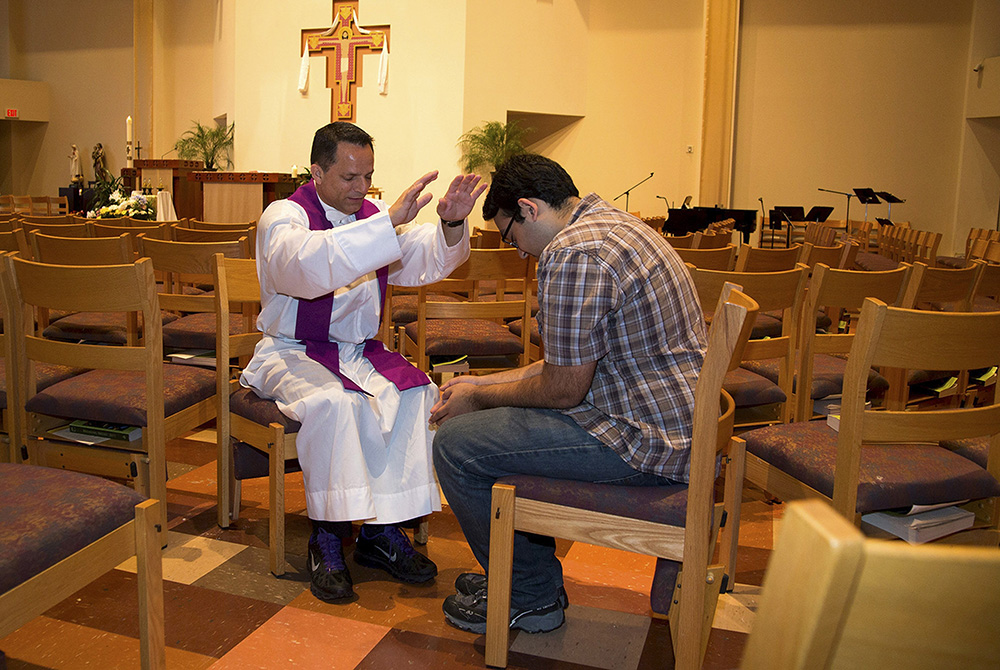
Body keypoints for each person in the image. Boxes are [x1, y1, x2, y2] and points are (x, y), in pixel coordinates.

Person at [431, 154, 707, 634]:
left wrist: (476, 401)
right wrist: (482, 382)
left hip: (640, 439)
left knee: (457, 445)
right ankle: (523, 575)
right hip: (670, 421)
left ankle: (528, 596)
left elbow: (563, 389)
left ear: (529, 208)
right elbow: (571, 361)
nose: (518, 253)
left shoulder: (573, 252)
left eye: (510, 236)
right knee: (488, 430)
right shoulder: (615, 224)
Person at [240, 121, 486, 602]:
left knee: (418, 394)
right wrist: (382, 227)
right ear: (317, 171)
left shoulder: (372, 217)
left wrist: (451, 224)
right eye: (349, 177)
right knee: (337, 405)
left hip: (357, 353)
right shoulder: (284, 217)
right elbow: (307, 267)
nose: (361, 189)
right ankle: (328, 536)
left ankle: (381, 533)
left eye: (367, 176)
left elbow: (424, 257)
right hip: (292, 351)